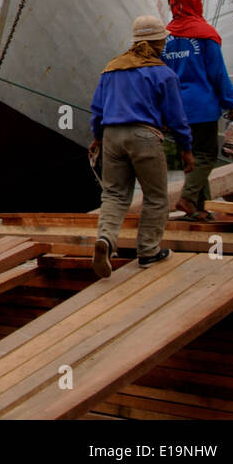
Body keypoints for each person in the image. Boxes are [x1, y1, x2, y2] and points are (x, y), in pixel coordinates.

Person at [89, 15, 195, 278]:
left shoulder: (111, 69)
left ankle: (105, 239)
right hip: (145, 136)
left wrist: (97, 138)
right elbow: (176, 117)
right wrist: (186, 148)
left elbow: (97, 111)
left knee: (114, 195)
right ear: (160, 41)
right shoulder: (163, 73)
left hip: (112, 135)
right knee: (156, 197)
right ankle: (148, 251)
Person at [163, 0, 233, 221]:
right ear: (194, 2)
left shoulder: (165, 37)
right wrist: (232, 103)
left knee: (190, 157)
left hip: (175, 108)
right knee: (206, 155)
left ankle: (199, 209)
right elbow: (218, 73)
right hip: (202, 107)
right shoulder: (204, 33)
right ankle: (187, 199)